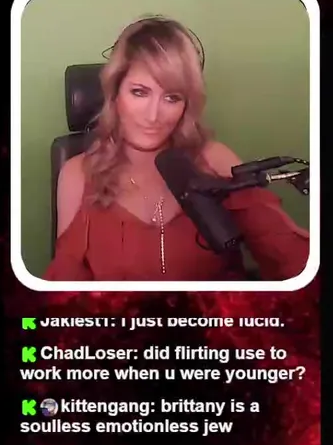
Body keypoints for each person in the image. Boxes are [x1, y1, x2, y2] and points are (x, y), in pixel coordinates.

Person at [46, 17, 309, 281]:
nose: (153, 116)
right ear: (115, 93)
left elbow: (287, 253)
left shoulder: (214, 160)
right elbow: (66, 289)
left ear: (186, 104)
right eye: (139, 92)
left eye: (171, 97)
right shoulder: (78, 174)